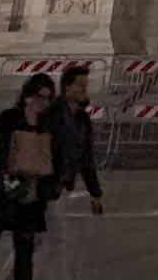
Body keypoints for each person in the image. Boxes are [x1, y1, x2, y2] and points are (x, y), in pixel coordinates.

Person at [0, 74, 62, 280]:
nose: (43, 102)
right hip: (1, 194)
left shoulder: (48, 125)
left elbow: (54, 159)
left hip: (30, 197)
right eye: (40, 97)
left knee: (24, 254)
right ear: (27, 96)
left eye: (48, 98)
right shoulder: (10, 119)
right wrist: (10, 180)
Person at [44, 63, 104, 278]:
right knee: (54, 239)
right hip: (43, 186)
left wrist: (95, 193)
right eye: (80, 86)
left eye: (86, 86)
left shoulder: (82, 119)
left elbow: (86, 159)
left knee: (44, 241)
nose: (84, 90)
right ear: (67, 88)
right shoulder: (51, 114)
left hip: (60, 188)